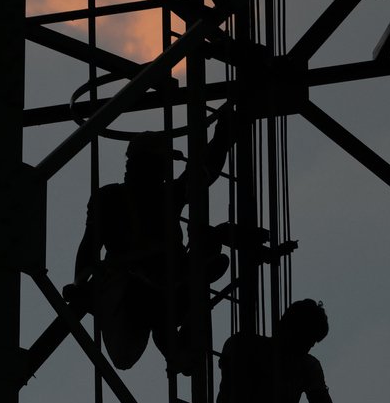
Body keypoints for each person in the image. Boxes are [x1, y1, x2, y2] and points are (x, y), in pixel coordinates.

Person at [71, 125, 289, 375]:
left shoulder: (163, 196)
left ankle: (180, 342)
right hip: (133, 289)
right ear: (146, 164)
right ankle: (178, 343)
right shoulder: (114, 198)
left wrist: (222, 139)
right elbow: (89, 247)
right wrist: (81, 287)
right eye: (162, 164)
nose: (166, 171)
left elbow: (203, 173)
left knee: (174, 303)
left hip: (167, 283)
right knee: (154, 327)